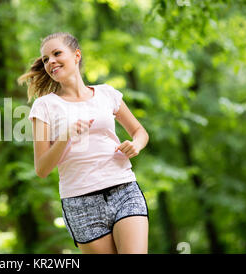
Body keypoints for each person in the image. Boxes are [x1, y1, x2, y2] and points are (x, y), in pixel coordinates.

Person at [17, 32, 150, 254]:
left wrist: (136, 144)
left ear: (76, 55)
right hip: (80, 202)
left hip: (123, 189)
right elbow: (41, 168)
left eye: (57, 53)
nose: (51, 62)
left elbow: (140, 131)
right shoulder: (44, 106)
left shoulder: (107, 94)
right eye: (46, 59)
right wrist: (65, 137)